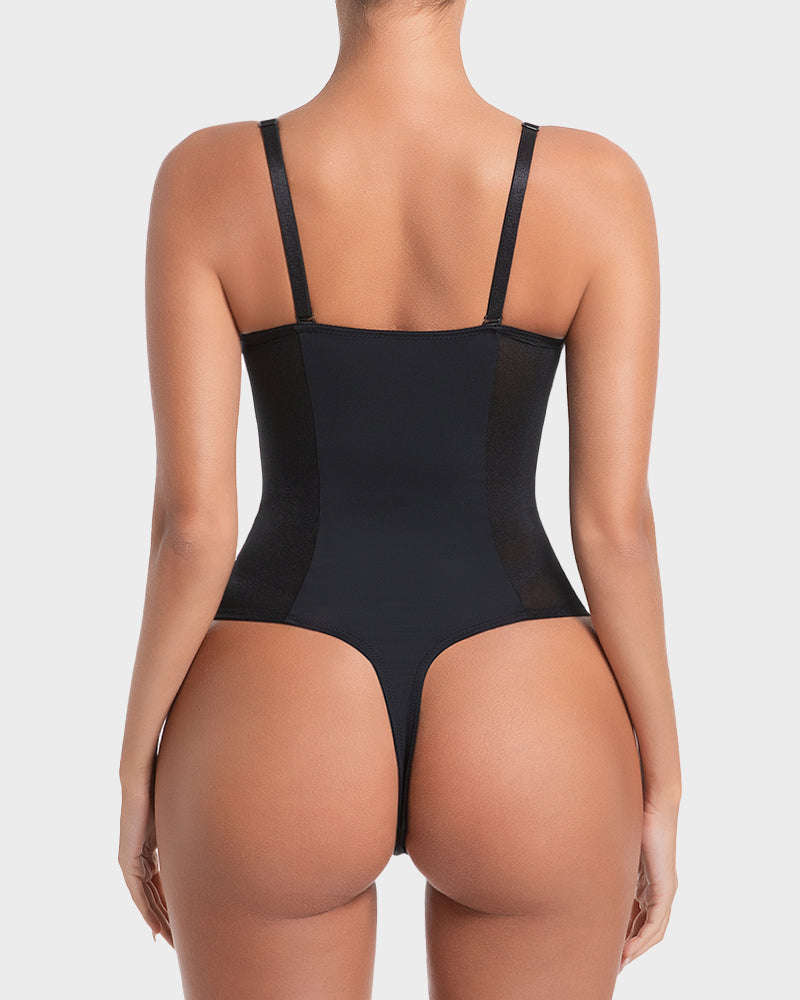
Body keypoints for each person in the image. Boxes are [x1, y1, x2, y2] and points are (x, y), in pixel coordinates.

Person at [118, 0, 681, 995]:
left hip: (278, 706)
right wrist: (662, 783)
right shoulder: (594, 185)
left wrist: (135, 771)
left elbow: (194, 530)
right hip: (527, 707)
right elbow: (615, 530)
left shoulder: (208, 178)